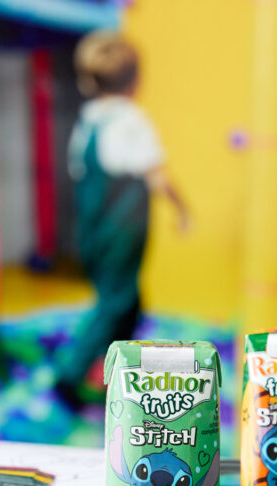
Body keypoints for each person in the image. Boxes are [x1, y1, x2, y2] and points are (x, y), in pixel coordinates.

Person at [55, 31, 189, 408]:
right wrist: (183, 209)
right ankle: (70, 378)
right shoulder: (131, 120)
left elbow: (79, 172)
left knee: (126, 301)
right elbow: (157, 175)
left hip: (91, 231)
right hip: (121, 231)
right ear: (136, 81)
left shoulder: (87, 122)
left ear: (88, 82)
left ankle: (118, 369)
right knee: (116, 302)